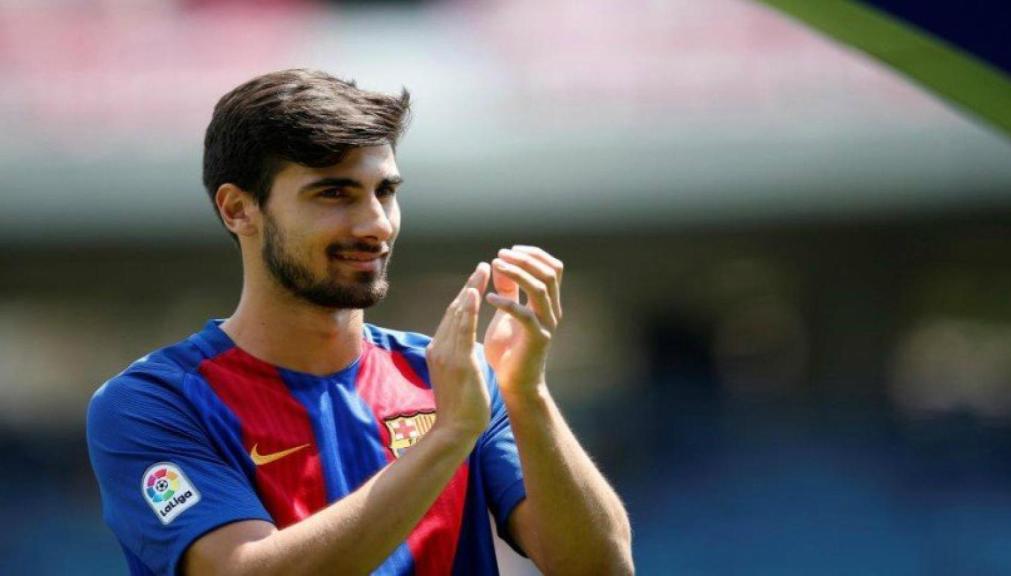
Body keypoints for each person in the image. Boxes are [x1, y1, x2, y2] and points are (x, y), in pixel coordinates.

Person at [86, 69, 633, 576]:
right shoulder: (151, 403)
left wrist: (525, 391)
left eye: (385, 192)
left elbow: (600, 566)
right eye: (333, 193)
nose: (376, 224)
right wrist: (446, 440)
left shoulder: (446, 378)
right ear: (238, 209)